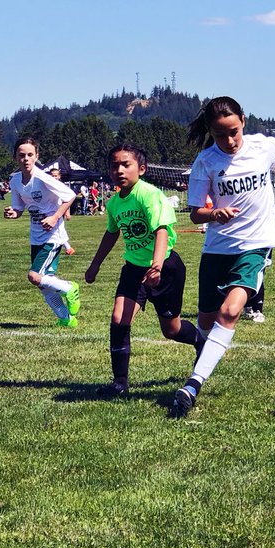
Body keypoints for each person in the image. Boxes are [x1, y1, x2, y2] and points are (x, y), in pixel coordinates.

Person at [173, 96, 275, 416]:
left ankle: (192, 385)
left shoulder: (261, 146)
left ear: (243, 121)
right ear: (210, 132)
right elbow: (195, 214)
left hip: (255, 244)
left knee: (230, 313)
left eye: (233, 131)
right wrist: (213, 213)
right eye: (220, 134)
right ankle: (203, 360)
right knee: (205, 324)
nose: (229, 140)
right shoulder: (205, 162)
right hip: (217, 250)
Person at [85, 143, 202, 395]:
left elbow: (161, 230)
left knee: (171, 330)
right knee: (119, 319)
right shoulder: (115, 203)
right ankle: (120, 383)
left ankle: (200, 341)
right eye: (114, 165)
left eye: (126, 164)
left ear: (142, 168)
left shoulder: (149, 195)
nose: (119, 170)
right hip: (134, 269)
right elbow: (111, 233)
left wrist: (157, 265)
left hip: (165, 267)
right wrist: (95, 265)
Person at [4, 137, 81, 327]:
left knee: (34, 276)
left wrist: (55, 217)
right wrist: (12, 213)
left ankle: (70, 288)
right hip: (36, 235)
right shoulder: (15, 180)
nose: (26, 159)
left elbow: (70, 195)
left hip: (53, 236)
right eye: (22, 155)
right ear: (15, 157)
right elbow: (19, 209)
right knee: (43, 282)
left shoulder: (43, 177)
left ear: (37, 156)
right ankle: (66, 319)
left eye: (30, 155)